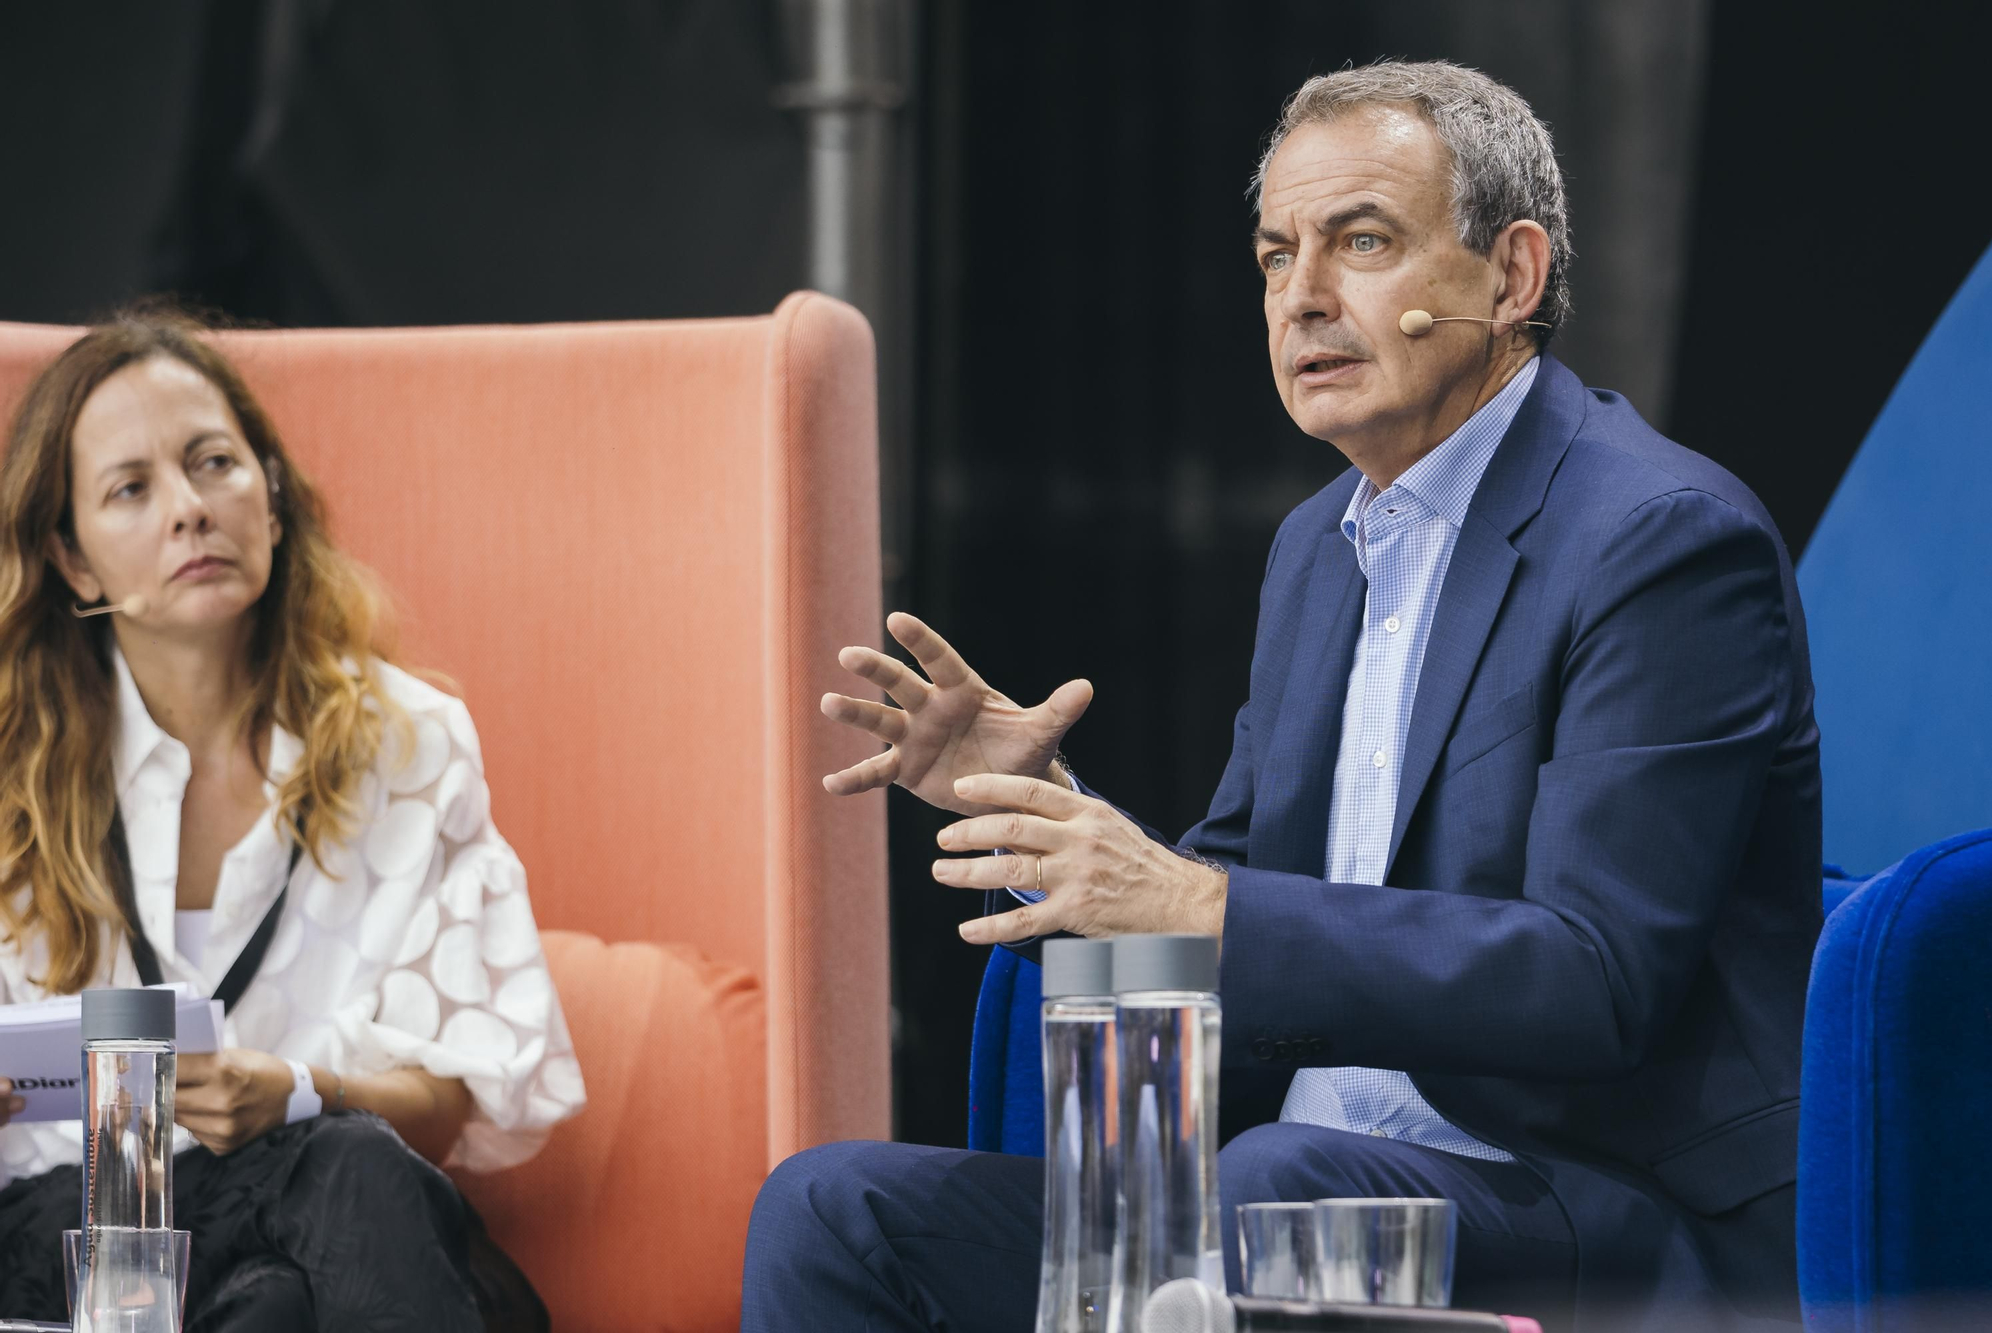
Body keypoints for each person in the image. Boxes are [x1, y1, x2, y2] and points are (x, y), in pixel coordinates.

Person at [742, 61, 1819, 1333]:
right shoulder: (1317, 549)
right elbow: (1230, 893)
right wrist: (1044, 812)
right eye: (1272, 255)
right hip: (1289, 1183)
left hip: (1585, 1206)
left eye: (1360, 242)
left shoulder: (1658, 539)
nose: (1300, 295)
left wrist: (1201, 906)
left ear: (1510, 277)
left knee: (1274, 1193)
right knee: (832, 1210)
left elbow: (1595, 979)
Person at [0, 311, 586, 1331]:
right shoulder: (12, 765)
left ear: (270, 499)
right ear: (74, 561)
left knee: (282, 1290)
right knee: (345, 1178)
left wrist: (301, 1090)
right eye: (131, 488)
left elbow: (450, 1099)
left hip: (327, 1225)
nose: (190, 509)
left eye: (213, 463)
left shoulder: (408, 743)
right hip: (73, 1227)